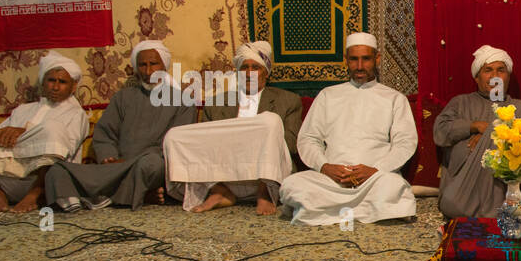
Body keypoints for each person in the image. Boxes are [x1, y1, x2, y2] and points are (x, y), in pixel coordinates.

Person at [279, 32, 418, 225]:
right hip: (332, 181)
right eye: (354, 59)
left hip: (374, 180)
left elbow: (404, 142)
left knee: (394, 186)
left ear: (377, 59)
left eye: (366, 59)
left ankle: (326, 211)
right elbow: (308, 138)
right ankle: (369, 211)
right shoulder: (328, 95)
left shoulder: (394, 98)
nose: (360, 66)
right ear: (346, 60)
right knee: (291, 185)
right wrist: (325, 167)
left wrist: (376, 170)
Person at [42, 40, 195, 210]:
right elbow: (105, 134)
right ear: (136, 69)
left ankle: (99, 195)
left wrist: (130, 161)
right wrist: (109, 157)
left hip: (149, 165)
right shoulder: (123, 98)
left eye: (153, 64)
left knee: (150, 164)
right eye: (142, 65)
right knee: (57, 170)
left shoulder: (183, 101)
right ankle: (131, 194)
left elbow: (178, 143)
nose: (148, 71)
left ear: (164, 66)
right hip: (116, 167)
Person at [162, 41, 301, 214]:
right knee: (174, 135)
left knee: (270, 121)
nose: (249, 73)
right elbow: (203, 145)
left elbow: (291, 144)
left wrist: (256, 141)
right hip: (224, 175)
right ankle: (219, 192)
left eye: (255, 68)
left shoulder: (288, 100)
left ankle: (264, 194)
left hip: (269, 177)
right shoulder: (216, 103)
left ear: (266, 73)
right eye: (244, 68)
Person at [433, 45, 521, 219]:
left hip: (508, 189)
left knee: (500, 141)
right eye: (488, 70)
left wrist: (491, 135)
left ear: (508, 76)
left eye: (501, 70)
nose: (495, 76)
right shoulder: (460, 103)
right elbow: (440, 132)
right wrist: (474, 126)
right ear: (477, 78)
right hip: (462, 193)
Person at [0, 52, 91, 214]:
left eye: (62, 82)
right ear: (43, 82)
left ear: (73, 86)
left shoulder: (76, 114)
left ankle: (34, 196)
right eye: (51, 80)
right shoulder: (22, 110)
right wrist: (6, 134)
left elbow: (65, 149)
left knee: (53, 129)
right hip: (7, 180)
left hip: (43, 183)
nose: (55, 87)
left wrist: (23, 132)